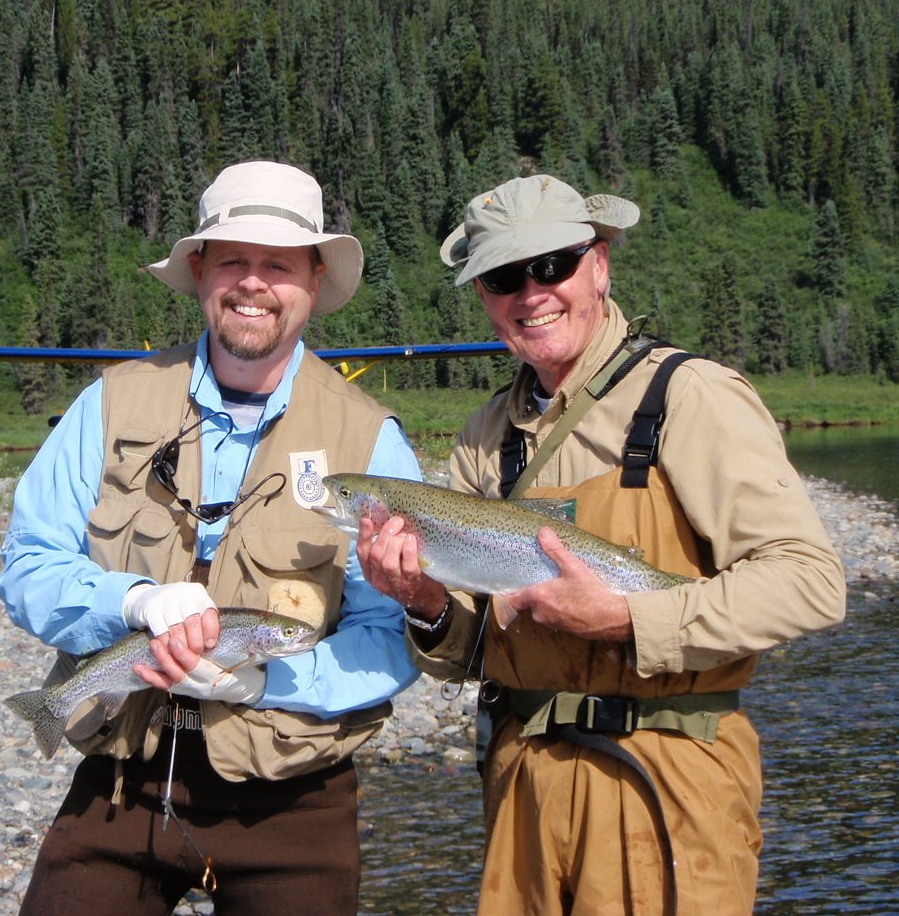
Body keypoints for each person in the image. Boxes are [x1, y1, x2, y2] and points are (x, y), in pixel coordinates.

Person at [357, 174, 847, 916]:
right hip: (522, 787)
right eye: (503, 276)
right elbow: (471, 648)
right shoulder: (485, 436)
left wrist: (626, 619)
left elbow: (810, 582)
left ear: (601, 263)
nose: (532, 292)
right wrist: (422, 602)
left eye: (552, 264)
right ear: (484, 296)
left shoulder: (689, 395)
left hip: (667, 785)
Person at [0, 160, 423, 916]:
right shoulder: (110, 404)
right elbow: (29, 565)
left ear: (315, 281)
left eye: (278, 265)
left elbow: (390, 634)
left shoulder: (371, 442)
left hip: (295, 798)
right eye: (232, 259)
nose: (253, 283)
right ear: (199, 271)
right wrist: (132, 602)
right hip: (124, 777)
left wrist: (270, 683)